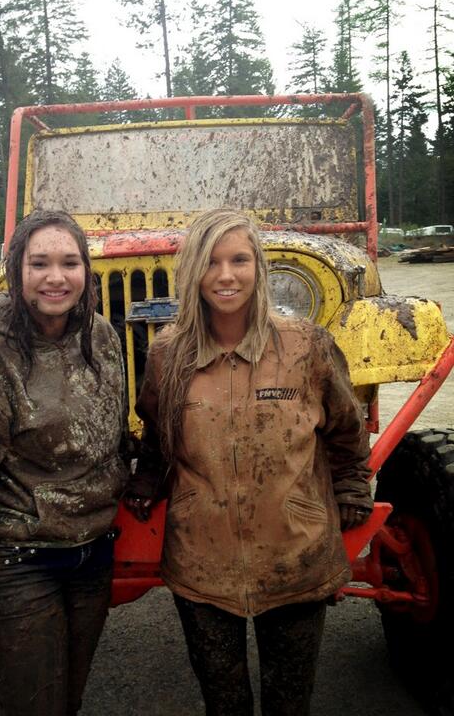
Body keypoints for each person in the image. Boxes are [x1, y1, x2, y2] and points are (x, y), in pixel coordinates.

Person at [125, 208, 373, 716]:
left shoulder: (306, 345)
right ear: (192, 271)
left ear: (258, 266)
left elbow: (346, 427)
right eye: (210, 261)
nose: (226, 275)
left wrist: (351, 487)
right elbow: (157, 434)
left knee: (289, 703)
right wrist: (146, 482)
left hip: (296, 559)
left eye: (239, 260)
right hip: (202, 566)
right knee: (224, 702)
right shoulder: (168, 355)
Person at [0, 210, 129, 716]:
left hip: (93, 553)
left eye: (70, 263)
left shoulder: (101, 337)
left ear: (86, 270)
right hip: (23, 561)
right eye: (39, 264)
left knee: (70, 698)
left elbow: (111, 434)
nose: (56, 278)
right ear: (17, 270)